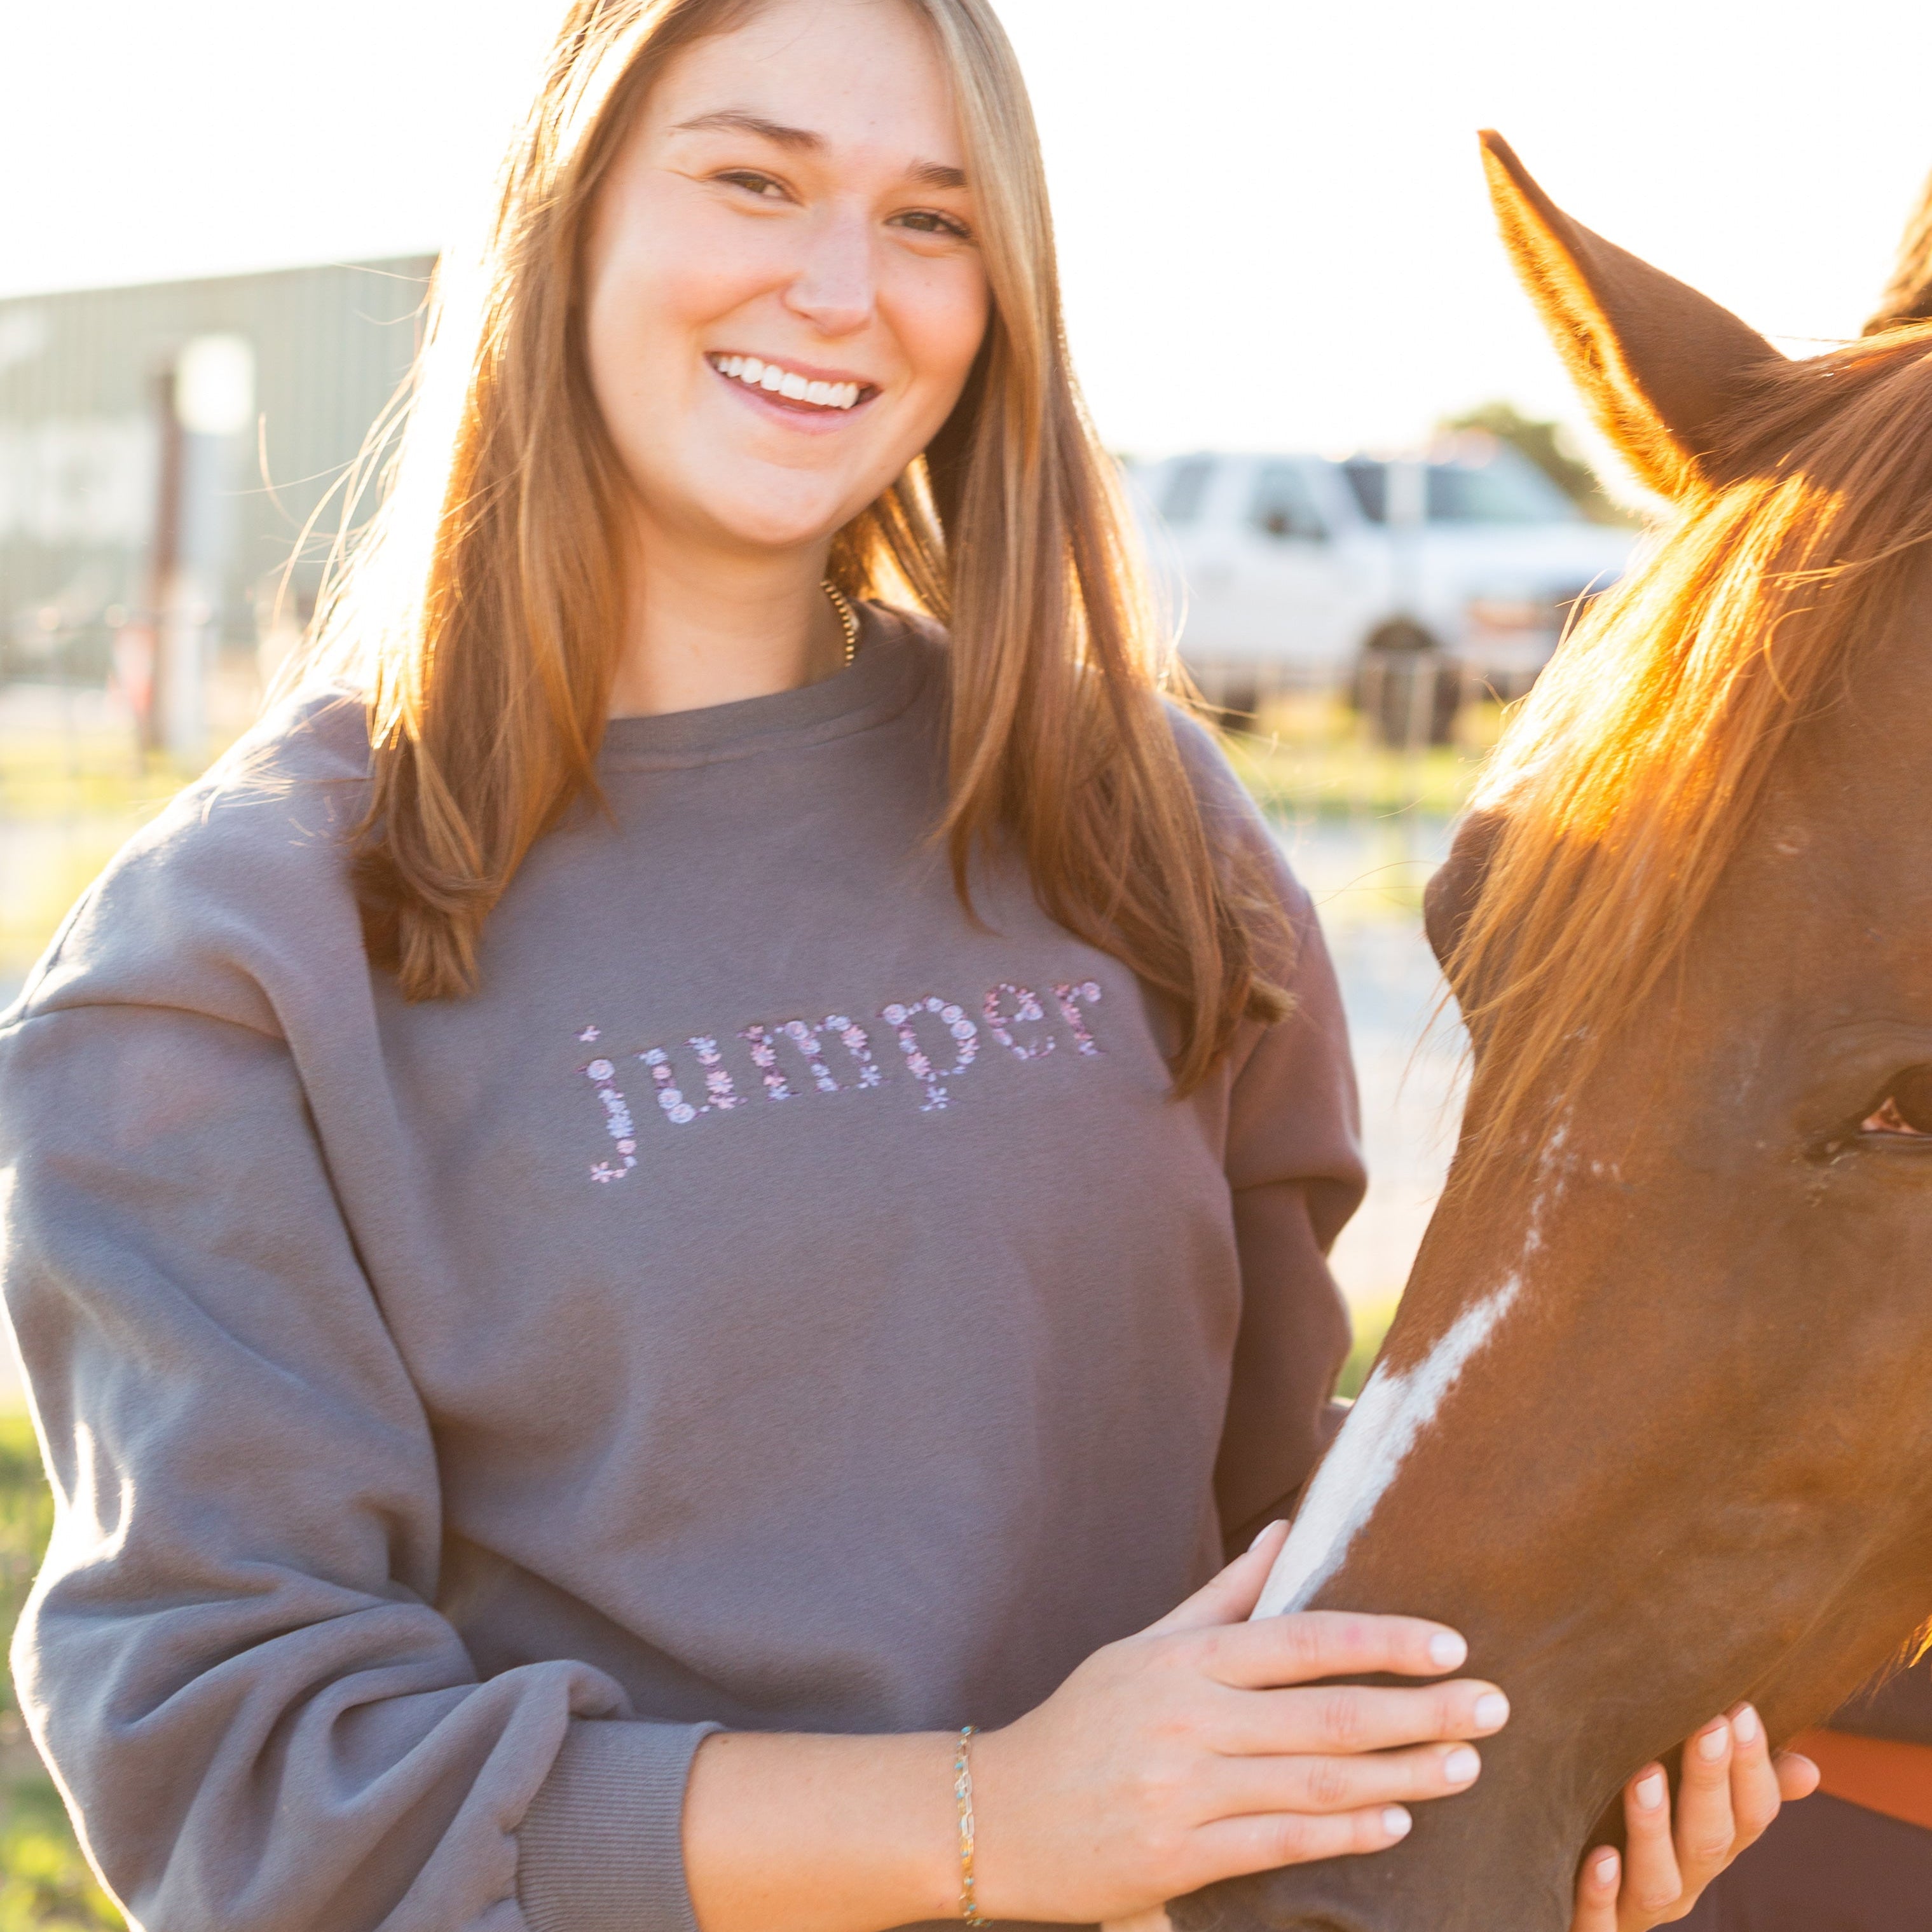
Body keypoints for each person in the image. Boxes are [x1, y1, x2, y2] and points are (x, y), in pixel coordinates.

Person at [0, 4, 1812, 1929]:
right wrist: (991, 1818)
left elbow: (1298, 1541)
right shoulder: (229, 967)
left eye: (934, 221)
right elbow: (251, 1795)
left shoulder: (1139, 820)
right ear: (567, 215)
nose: (844, 287)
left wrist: (1510, 1805)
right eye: (756, 179)